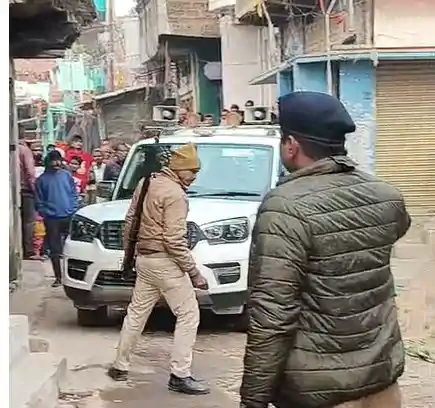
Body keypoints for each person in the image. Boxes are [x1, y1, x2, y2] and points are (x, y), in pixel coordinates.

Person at [240, 91, 410, 408]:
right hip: (381, 384)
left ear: (292, 145)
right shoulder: (385, 195)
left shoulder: (285, 206)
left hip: (320, 392)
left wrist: (253, 400)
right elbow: (398, 229)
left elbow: (273, 316)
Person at [107, 143, 210, 396]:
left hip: (144, 260)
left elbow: (130, 222)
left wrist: (130, 256)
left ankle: (120, 366)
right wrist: (194, 272)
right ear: (179, 168)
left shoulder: (147, 183)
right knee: (189, 314)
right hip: (165, 263)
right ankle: (180, 374)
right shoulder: (175, 194)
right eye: (192, 171)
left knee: (136, 313)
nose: (194, 177)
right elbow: (174, 240)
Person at [35, 150, 79, 287]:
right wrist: (46, 213)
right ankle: (58, 278)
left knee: (72, 248)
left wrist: (73, 208)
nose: (56, 163)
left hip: (68, 215)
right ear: (48, 162)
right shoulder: (41, 180)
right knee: (55, 250)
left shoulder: (66, 175)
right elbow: (39, 201)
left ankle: (73, 277)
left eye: (58, 160)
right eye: (53, 160)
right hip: (52, 219)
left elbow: (73, 193)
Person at [18, 126, 36, 259]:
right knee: (29, 221)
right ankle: (28, 251)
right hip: (25, 190)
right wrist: (35, 190)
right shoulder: (24, 150)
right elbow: (30, 172)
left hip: (14, 189)